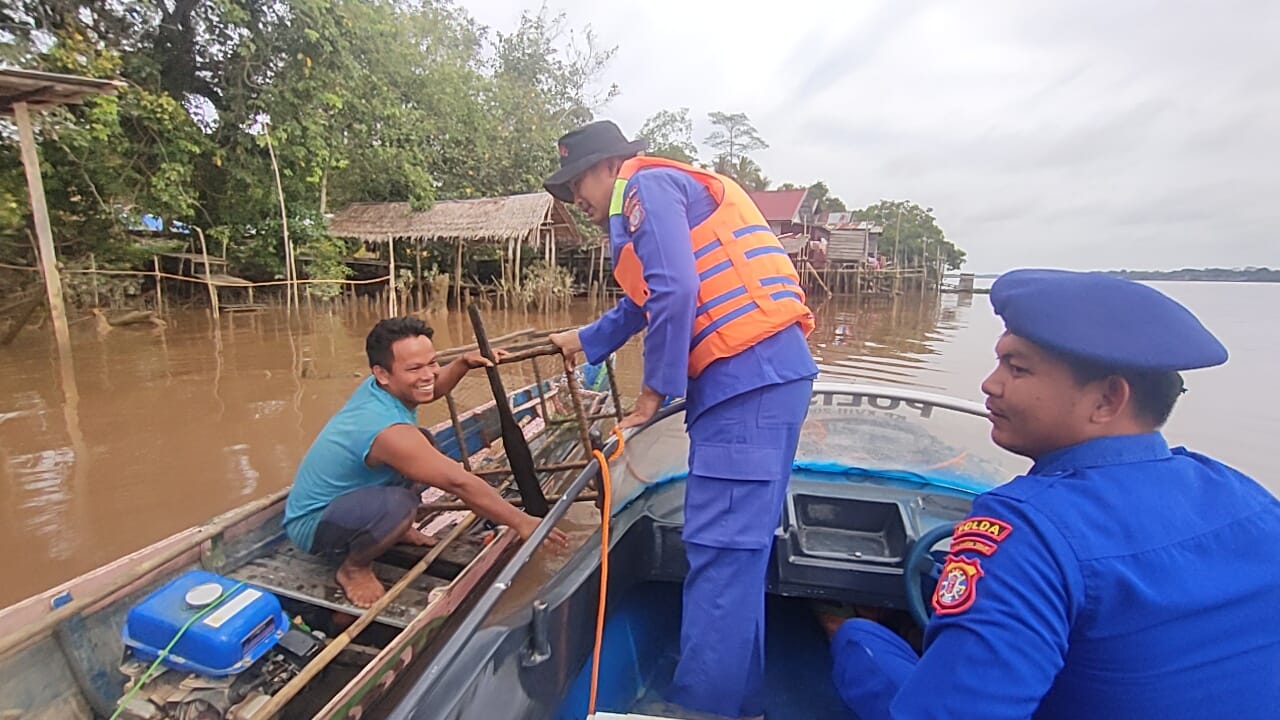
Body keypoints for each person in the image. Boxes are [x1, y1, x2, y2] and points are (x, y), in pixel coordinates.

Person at [828, 269, 1280, 719]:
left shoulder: (1025, 531)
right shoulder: (1249, 497)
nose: (990, 384)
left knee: (859, 641)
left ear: (1107, 400)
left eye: (1017, 368)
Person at [542, 120, 819, 719]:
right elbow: (647, 299)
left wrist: (651, 395)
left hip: (746, 381)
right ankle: (737, 701)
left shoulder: (646, 189)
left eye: (576, 184)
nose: (574, 201)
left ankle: (701, 708)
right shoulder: (666, 191)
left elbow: (674, 292)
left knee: (719, 553)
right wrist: (584, 340)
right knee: (735, 556)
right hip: (766, 376)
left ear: (610, 165)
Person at [284, 317, 567, 608]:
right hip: (314, 525)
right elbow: (458, 482)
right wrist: (521, 521)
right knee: (400, 503)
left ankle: (394, 529)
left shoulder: (382, 388)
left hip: (350, 498)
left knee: (424, 443)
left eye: (432, 362)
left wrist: (461, 364)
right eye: (415, 368)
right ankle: (354, 567)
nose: (429, 374)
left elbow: (430, 387)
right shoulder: (387, 431)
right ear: (382, 373)